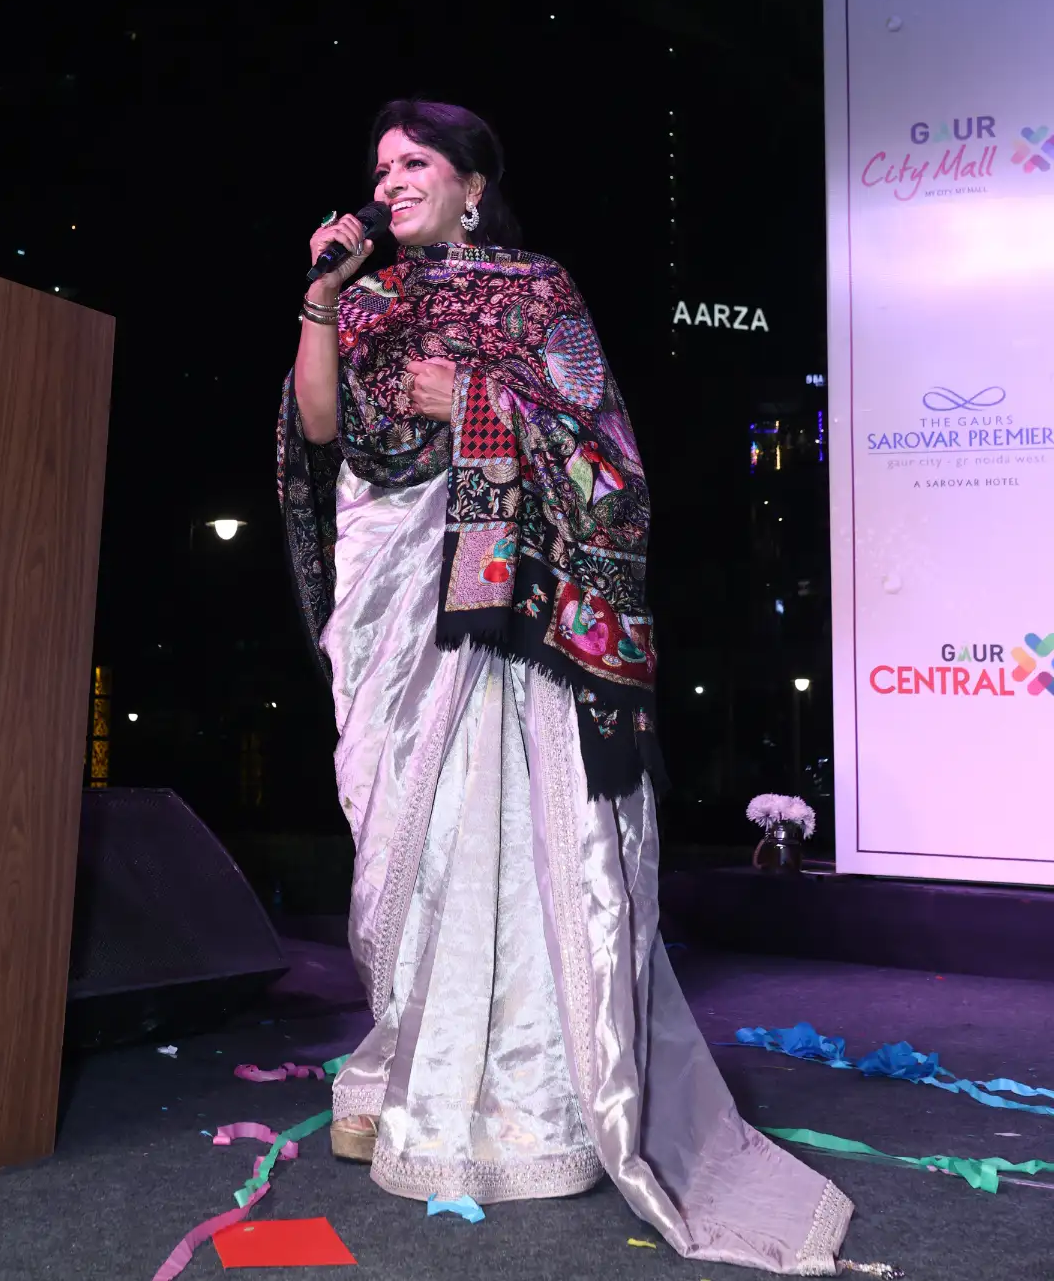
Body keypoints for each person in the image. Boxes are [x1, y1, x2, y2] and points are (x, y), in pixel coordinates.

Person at [277, 100, 869, 1275]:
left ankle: (535, 1103)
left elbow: (610, 459)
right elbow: (324, 428)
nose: (390, 183)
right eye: (380, 168)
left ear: (472, 185)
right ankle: (405, 1064)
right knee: (401, 840)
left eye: (415, 163)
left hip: (513, 605)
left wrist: (477, 406)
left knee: (506, 832)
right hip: (394, 583)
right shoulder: (367, 296)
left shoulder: (538, 292)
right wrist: (323, 299)